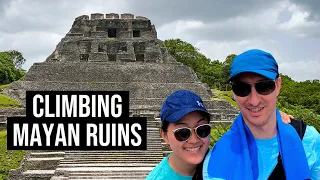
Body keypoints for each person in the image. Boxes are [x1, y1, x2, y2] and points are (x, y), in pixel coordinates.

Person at [203, 49, 320, 180]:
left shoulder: (309, 140)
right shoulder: (217, 159)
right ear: (234, 93)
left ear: (278, 85)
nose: (254, 101)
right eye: (242, 88)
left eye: (264, 86)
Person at [145, 89, 294, 180]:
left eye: (202, 129)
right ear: (164, 135)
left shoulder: (221, 157)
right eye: (182, 133)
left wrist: (269, 118)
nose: (194, 140)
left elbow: (244, 129)